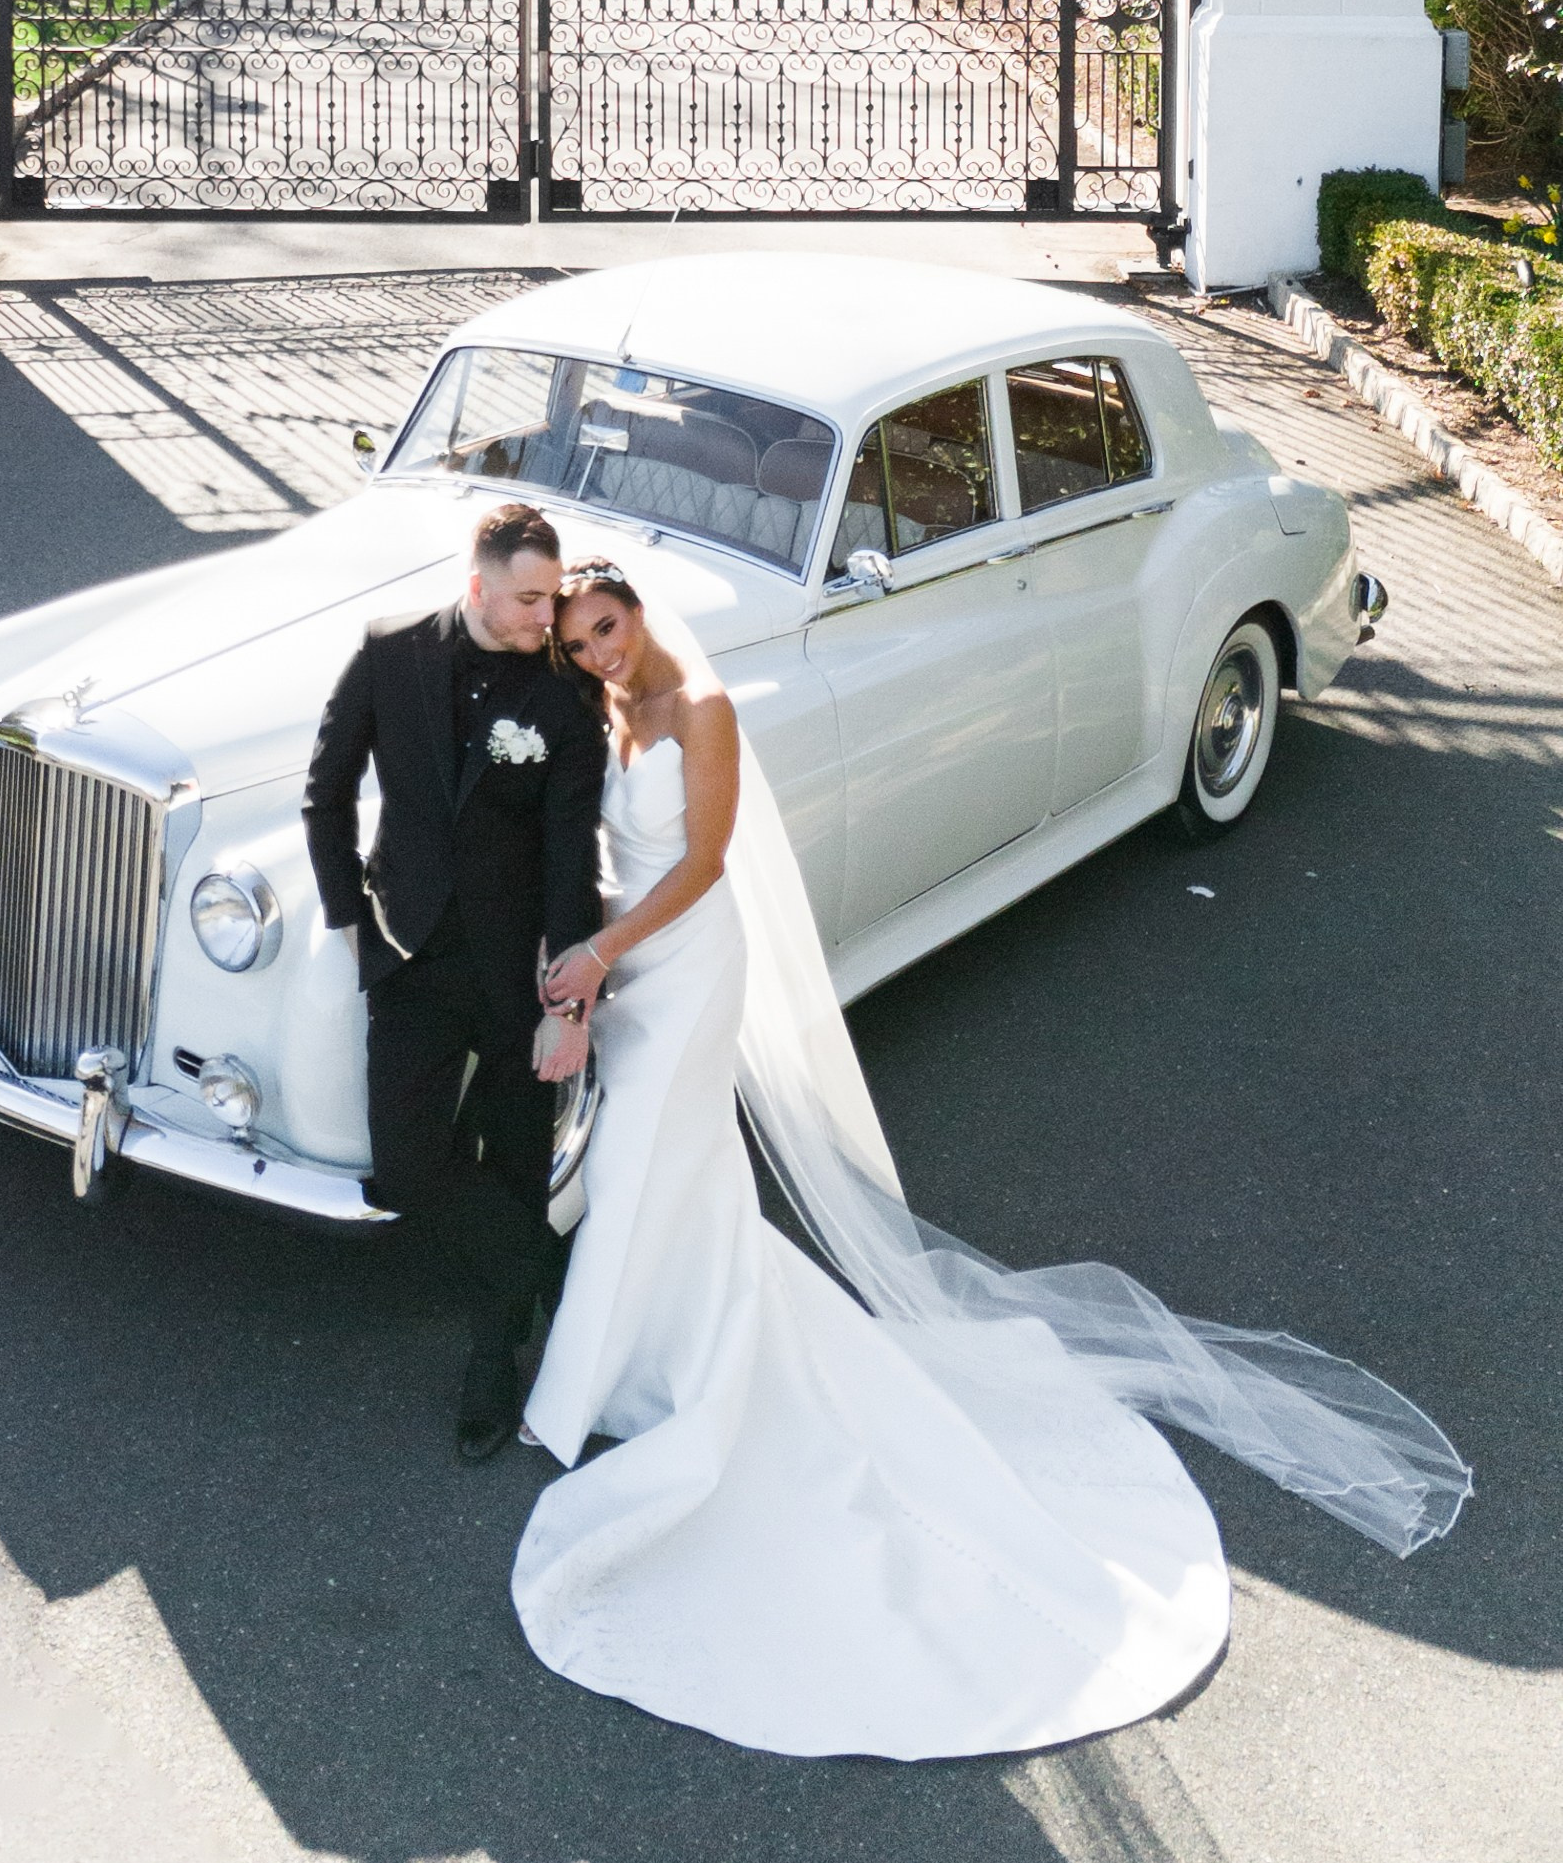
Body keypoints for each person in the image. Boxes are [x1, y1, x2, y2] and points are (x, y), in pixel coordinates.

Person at [509, 558, 1470, 1760]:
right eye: (583, 639)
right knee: (680, 1171)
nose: (599, 650)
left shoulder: (703, 712)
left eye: (609, 628)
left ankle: (622, 1375)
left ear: (641, 614)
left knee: (657, 1148)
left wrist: (600, 951)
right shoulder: (608, 706)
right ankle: (664, 1354)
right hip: (629, 969)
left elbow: (702, 863)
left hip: (688, 968)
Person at [302, 500, 606, 1463]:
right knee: (403, 1162)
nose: (541, 619)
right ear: (476, 584)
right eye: (525, 599)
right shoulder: (389, 654)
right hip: (410, 955)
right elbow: (326, 791)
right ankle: (542, 1271)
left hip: (517, 970)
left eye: (550, 599)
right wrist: (352, 920)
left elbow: (570, 851)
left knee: (517, 1162)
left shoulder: (564, 698)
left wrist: (566, 1001)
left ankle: (492, 1359)